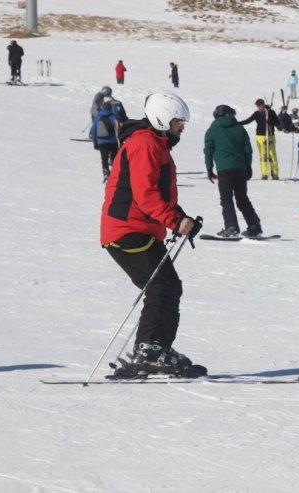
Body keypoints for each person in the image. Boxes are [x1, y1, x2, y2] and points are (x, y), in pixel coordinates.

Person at [100, 93, 204, 378]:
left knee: (168, 286)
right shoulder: (145, 144)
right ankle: (150, 351)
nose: (181, 127)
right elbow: (145, 195)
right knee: (162, 287)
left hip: (139, 229)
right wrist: (174, 220)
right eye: (177, 122)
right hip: (127, 231)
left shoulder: (154, 144)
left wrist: (181, 218)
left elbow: (158, 194)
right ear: (162, 119)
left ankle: (157, 348)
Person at [204, 104, 263, 238]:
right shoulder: (239, 128)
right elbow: (248, 150)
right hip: (240, 168)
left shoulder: (212, 130)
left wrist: (209, 169)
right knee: (242, 199)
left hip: (224, 170)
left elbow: (208, 151)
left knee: (226, 199)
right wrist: (248, 167)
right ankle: (255, 226)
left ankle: (231, 227)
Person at [239, 98, 279, 179]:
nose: (260, 107)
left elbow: (278, 123)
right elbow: (248, 121)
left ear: (264, 104)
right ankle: (264, 173)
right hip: (260, 136)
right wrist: (237, 123)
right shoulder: (256, 114)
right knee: (263, 155)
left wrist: (270, 121)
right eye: (258, 106)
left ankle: (275, 173)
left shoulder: (271, 112)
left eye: (261, 105)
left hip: (270, 135)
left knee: (272, 155)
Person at [90, 101, 119, 182]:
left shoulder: (98, 117)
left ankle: (106, 172)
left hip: (102, 142)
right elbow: (118, 128)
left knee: (104, 159)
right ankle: (115, 173)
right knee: (114, 158)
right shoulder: (113, 116)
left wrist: (95, 143)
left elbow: (94, 131)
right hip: (113, 142)